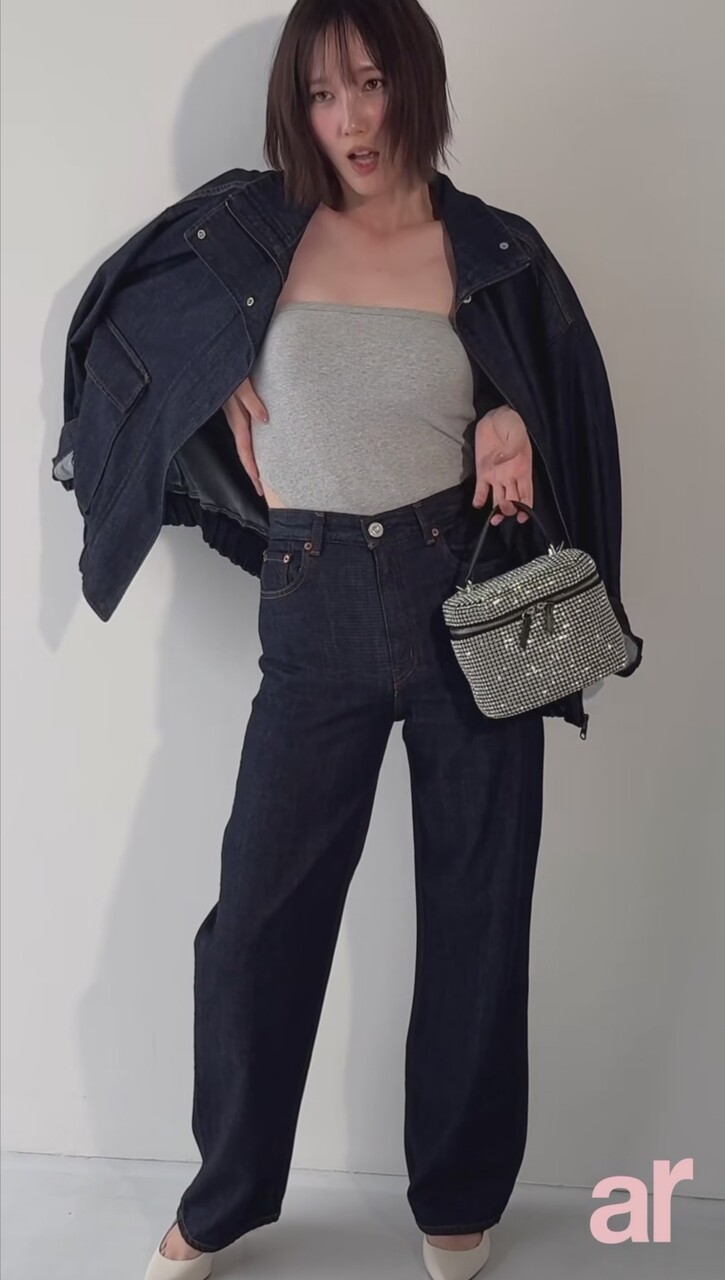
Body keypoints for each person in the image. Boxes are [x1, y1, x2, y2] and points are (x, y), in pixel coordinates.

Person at [139, 2, 635, 1278]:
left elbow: (561, 407)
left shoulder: (493, 250)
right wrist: (211, 363)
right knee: (256, 921)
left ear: (413, 81)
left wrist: (508, 415)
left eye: (368, 83)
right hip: (311, 605)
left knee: (478, 906)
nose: (350, 119)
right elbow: (124, 320)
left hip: (460, 592)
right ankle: (226, 1192)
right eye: (320, 94)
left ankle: (456, 1194)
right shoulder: (254, 236)